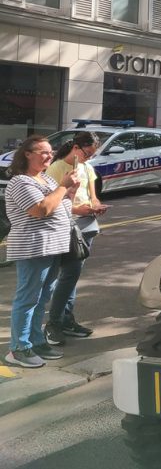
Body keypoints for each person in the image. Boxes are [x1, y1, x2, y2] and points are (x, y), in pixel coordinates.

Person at [4, 135, 80, 368]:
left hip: (53, 247)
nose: (49, 155)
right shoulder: (20, 182)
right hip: (34, 248)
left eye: (51, 151)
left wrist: (71, 192)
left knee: (41, 298)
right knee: (28, 298)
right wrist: (63, 186)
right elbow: (42, 209)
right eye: (44, 152)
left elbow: (62, 207)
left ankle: (36, 341)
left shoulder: (45, 179)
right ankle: (18, 348)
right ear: (27, 154)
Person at [44, 132, 107, 345]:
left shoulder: (87, 168)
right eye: (87, 153)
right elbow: (53, 203)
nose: (89, 158)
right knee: (68, 275)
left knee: (73, 275)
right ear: (76, 148)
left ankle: (65, 319)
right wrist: (80, 209)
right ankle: (54, 322)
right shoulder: (57, 168)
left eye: (92, 155)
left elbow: (93, 195)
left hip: (87, 226)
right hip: (68, 226)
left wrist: (95, 206)